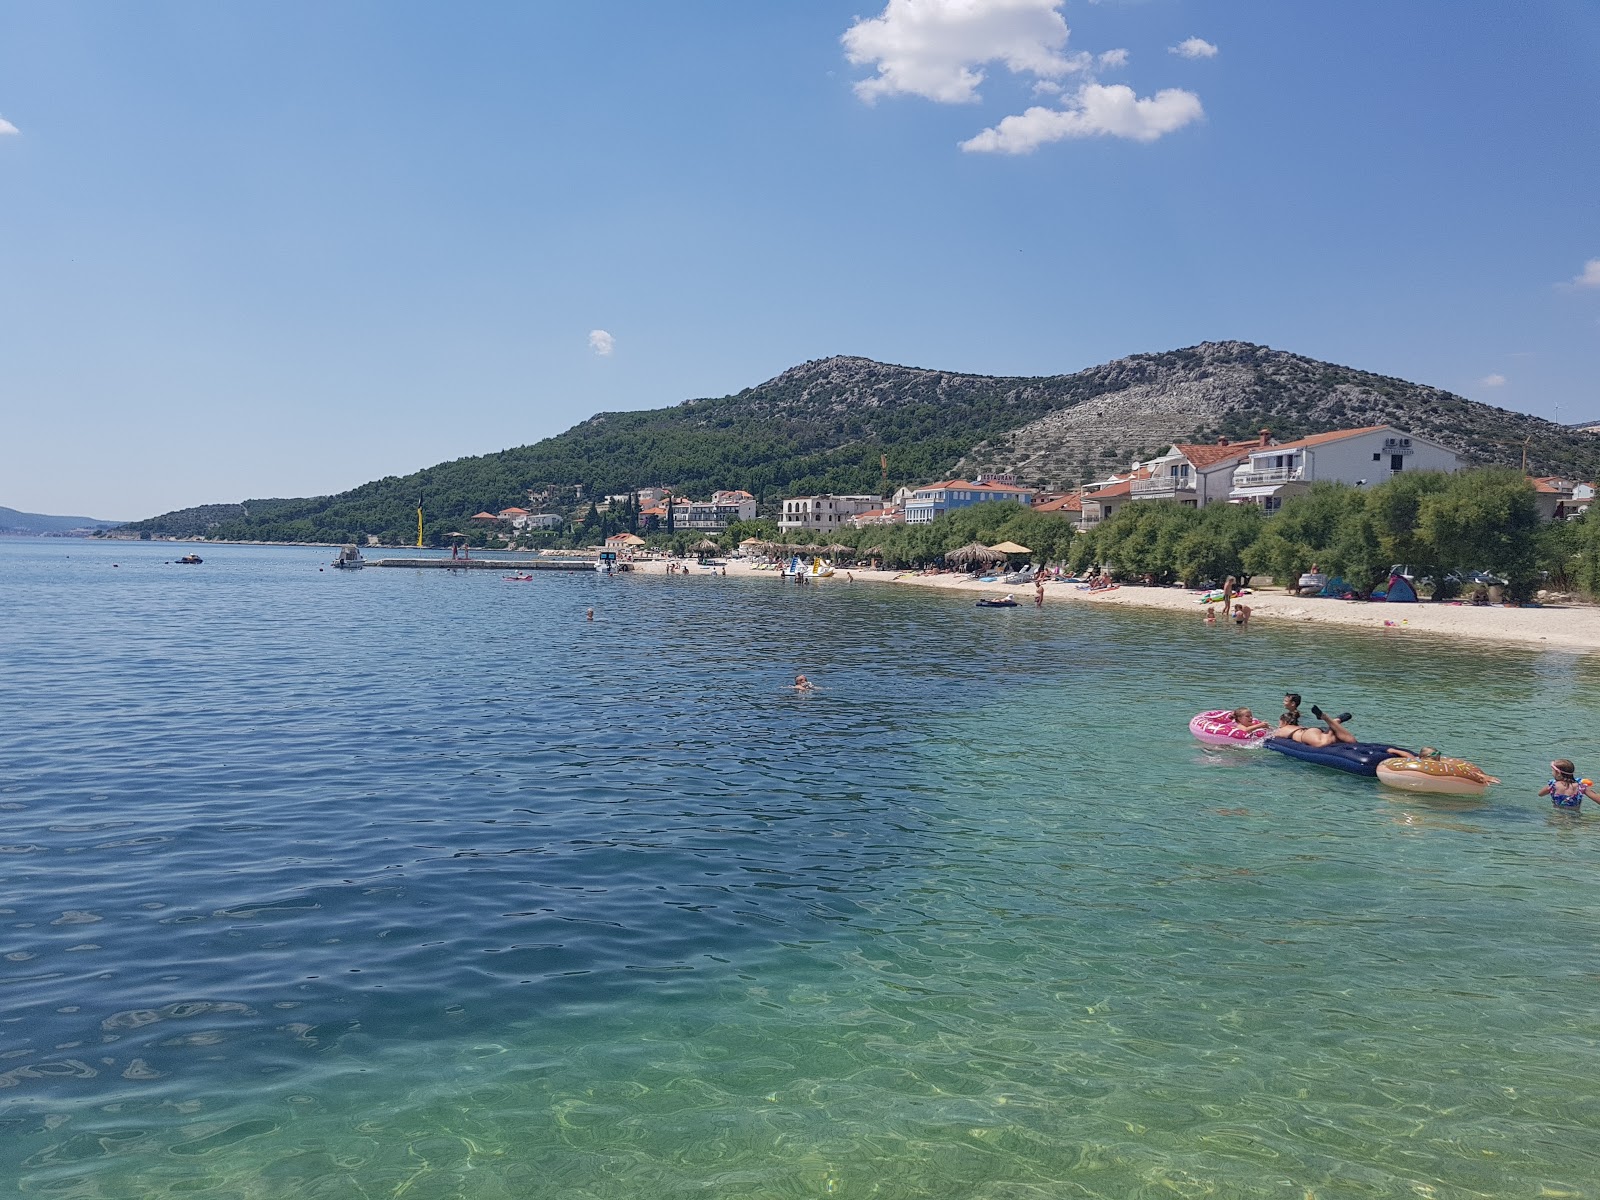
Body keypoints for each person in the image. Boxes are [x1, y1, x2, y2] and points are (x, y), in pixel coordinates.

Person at [1272, 705, 1356, 747]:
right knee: (1352, 742)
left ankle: (1327, 718)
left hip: (1308, 734)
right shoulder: (1297, 726)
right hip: (1315, 731)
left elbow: (1270, 735)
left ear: (1284, 722)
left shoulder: (1283, 729)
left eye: (1279, 722)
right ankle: (1335, 721)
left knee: (1322, 743)